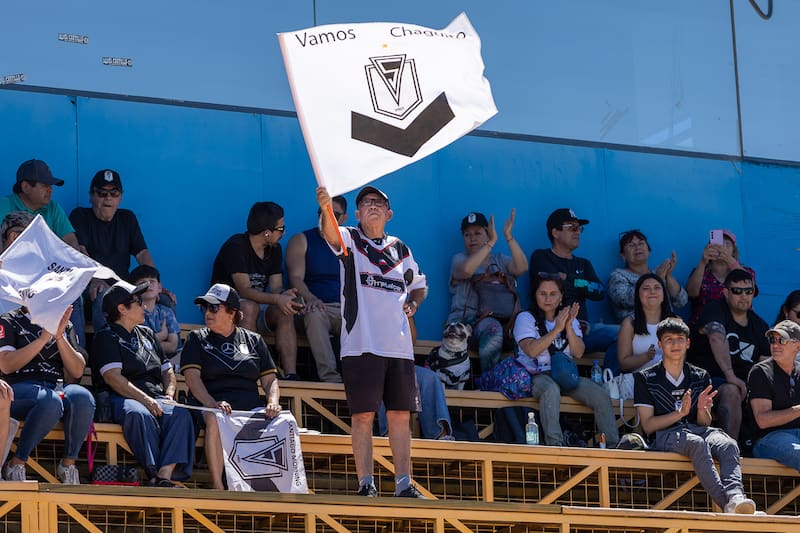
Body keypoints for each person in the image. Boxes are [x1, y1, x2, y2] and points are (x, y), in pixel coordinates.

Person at [316, 185, 428, 498]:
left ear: (389, 213)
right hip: (362, 343)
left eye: (379, 202)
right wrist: (326, 208)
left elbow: (420, 285)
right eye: (366, 203)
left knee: (400, 416)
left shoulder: (401, 248)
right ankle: (366, 483)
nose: (373, 206)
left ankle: (404, 483)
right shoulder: (351, 238)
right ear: (357, 213)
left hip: (399, 347)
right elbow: (330, 235)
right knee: (363, 415)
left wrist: (414, 304)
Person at [634, 317, 757, 514]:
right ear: (659, 344)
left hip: (697, 430)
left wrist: (701, 410)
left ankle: (736, 497)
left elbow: (704, 422)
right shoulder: (645, 378)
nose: (675, 344)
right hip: (664, 435)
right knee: (696, 443)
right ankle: (728, 505)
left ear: (688, 342)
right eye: (669, 339)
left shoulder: (700, 375)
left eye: (680, 339)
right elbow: (648, 426)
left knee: (728, 444)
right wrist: (679, 414)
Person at [90, 281, 194, 487]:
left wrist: (170, 394)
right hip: (122, 397)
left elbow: (168, 371)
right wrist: (146, 400)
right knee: (137, 413)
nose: (144, 306)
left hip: (157, 397)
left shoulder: (147, 333)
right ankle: (153, 473)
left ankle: (165, 475)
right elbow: (113, 378)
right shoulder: (105, 336)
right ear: (122, 309)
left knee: (181, 413)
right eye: (137, 302)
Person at [181, 283, 281, 490]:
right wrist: (212, 403)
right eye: (205, 308)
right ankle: (218, 486)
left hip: (249, 406)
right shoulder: (196, 338)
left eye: (213, 307)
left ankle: (275, 490)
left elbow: (270, 380)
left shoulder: (254, 340)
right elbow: (192, 378)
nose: (207, 312)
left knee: (284, 422)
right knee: (216, 418)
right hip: (211, 404)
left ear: (232, 312)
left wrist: (272, 402)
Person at [512, 274, 619, 447]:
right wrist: (556, 330)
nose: (548, 298)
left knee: (600, 395)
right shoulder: (525, 318)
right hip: (537, 374)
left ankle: (613, 446)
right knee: (550, 390)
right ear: (535, 295)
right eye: (543, 293)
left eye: (553, 294)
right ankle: (556, 446)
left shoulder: (570, 319)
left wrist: (568, 326)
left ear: (561, 296)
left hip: (565, 374)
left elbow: (578, 352)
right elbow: (531, 350)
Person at [0, 304, 95, 484]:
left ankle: (68, 465)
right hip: (19, 387)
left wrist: (59, 336)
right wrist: (43, 339)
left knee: (82, 397)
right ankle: (17, 463)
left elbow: (76, 372)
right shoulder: (10, 319)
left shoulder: (64, 323)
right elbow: (6, 365)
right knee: (49, 401)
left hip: (54, 385)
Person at [210, 201, 303, 379]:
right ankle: (251, 369)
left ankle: (291, 374)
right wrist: (276, 299)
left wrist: (286, 297)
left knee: (285, 311)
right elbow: (243, 291)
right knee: (249, 307)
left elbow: (275, 287)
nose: (283, 233)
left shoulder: (274, 249)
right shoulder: (236, 246)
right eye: (281, 229)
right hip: (224, 309)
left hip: (256, 307)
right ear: (267, 233)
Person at [69, 169, 166, 333]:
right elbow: (80, 252)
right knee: (102, 294)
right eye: (101, 193)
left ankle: (158, 349)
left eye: (114, 193)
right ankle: (107, 347)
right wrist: (95, 279)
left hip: (123, 286)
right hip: (91, 285)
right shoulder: (80, 216)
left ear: (120, 197)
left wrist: (154, 282)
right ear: (91, 196)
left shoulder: (127, 218)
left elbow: (142, 254)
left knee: (165, 300)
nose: (108, 198)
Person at [687, 269, 769, 441]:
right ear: (725, 292)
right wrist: (731, 376)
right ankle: (730, 452)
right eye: (737, 291)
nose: (744, 296)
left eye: (749, 291)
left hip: (744, 386)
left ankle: (757, 449)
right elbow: (716, 337)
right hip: (707, 382)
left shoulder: (760, 325)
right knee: (732, 391)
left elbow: (765, 363)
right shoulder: (715, 309)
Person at [447, 211, 527, 372]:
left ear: (487, 233)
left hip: (503, 326)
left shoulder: (500, 260)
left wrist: (508, 236)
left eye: (478, 233)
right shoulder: (459, 259)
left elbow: (522, 267)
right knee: (492, 327)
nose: (472, 238)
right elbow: (468, 270)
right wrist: (491, 242)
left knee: (524, 324)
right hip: (465, 327)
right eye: (467, 234)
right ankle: (489, 381)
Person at [529, 208, 617, 356]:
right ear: (555, 232)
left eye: (579, 228)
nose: (577, 232)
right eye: (572, 228)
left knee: (625, 334)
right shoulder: (541, 256)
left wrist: (570, 279)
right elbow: (552, 286)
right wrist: (582, 285)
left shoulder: (584, 263)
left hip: (583, 331)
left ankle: (612, 378)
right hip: (553, 332)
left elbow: (599, 291)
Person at [285, 197, 348, 382]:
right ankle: (330, 378)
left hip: (346, 308)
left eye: (334, 215)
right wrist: (311, 298)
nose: (326, 218)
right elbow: (295, 277)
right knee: (315, 314)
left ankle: (362, 379)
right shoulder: (302, 240)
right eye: (322, 213)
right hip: (318, 307)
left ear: (344, 218)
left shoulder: (351, 243)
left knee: (367, 319)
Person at [747, 320, 800, 473]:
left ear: (797, 346)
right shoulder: (760, 372)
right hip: (768, 439)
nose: (775, 345)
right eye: (772, 340)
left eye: (782, 340)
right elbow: (763, 420)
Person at [607, 229, 687, 323]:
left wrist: (668, 275)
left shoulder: (658, 272)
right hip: (634, 330)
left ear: (649, 251)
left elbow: (681, 302)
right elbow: (624, 299)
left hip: (665, 330)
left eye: (641, 243)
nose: (637, 247)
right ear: (623, 255)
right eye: (631, 245)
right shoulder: (618, 275)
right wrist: (658, 280)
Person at [0, 159, 79, 250]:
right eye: (45, 185)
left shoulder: (53, 208)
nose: (51, 190)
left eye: (51, 185)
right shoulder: (4, 205)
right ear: (26, 187)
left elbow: (71, 243)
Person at [686, 229, 756, 327]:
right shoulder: (701, 271)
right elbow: (692, 293)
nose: (722, 247)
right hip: (705, 327)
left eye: (727, 244)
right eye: (718, 244)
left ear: (733, 250)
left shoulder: (746, 271)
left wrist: (730, 260)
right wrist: (703, 261)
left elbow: (751, 288)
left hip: (739, 326)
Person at [617, 274, 674, 374]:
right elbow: (624, 364)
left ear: (664, 295)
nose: (652, 292)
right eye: (646, 288)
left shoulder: (676, 321)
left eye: (657, 288)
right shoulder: (629, 323)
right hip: (639, 383)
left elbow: (684, 358)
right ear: (638, 295)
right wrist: (646, 357)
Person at [129, 265, 180, 357]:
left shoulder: (167, 312)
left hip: (167, 362)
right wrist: (162, 335)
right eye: (142, 282)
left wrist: (150, 342)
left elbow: (172, 346)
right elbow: (136, 346)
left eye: (152, 281)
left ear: (160, 287)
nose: (148, 285)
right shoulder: (130, 314)